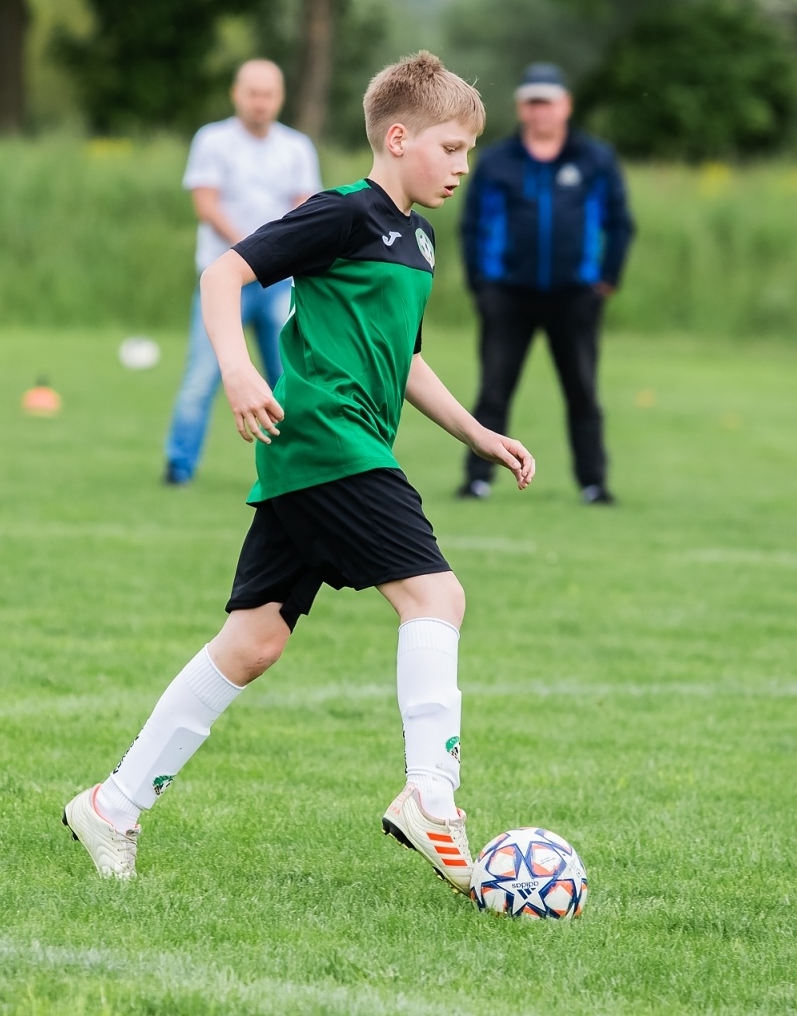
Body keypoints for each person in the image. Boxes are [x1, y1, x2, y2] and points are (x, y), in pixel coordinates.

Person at [65, 51, 534, 896]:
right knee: (437, 596)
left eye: (468, 151)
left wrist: (476, 433)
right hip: (327, 440)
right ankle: (432, 795)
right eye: (451, 148)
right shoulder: (342, 213)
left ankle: (112, 803)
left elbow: (405, 358)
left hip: (325, 450)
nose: (462, 166)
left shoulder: (419, 239)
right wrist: (238, 369)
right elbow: (223, 272)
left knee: (254, 641)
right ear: (399, 137)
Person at [456, 62, 634, 505]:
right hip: (507, 295)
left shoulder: (594, 159)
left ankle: (593, 483)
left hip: (575, 296)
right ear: (521, 108)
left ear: (565, 105)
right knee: (494, 390)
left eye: (548, 103)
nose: (540, 112)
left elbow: (619, 222)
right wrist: (481, 284)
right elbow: (472, 225)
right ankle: (478, 479)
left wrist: (607, 279)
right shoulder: (497, 161)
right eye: (532, 103)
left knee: (582, 392)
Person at [164, 59, 322, 486]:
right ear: (236, 94)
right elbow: (206, 204)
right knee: (201, 378)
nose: (260, 103)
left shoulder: (297, 148)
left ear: (280, 98)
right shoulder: (213, 140)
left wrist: (271, 258)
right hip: (224, 284)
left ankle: (299, 468)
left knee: (289, 377)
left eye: (268, 94)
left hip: (279, 284)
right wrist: (251, 253)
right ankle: (179, 467)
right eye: (253, 93)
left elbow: (305, 210)